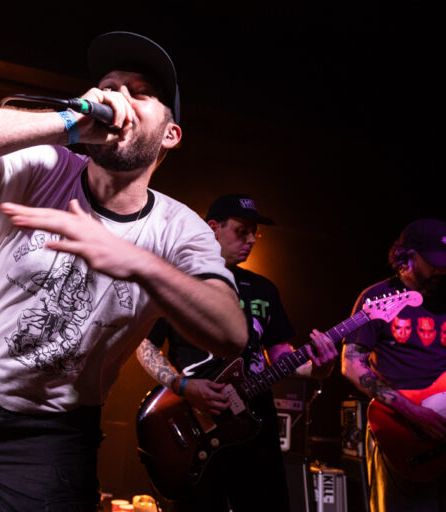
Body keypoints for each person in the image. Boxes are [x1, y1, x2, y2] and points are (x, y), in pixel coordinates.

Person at [0, 31, 248, 512]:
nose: (117, 98)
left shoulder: (180, 229)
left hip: (56, 430)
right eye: (108, 87)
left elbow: (231, 334)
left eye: (140, 93)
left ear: (170, 134)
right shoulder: (44, 165)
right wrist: (64, 123)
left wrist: (136, 262)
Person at [136, 193, 338, 511]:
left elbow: (280, 354)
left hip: (254, 422)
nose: (251, 240)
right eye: (241, 231)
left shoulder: (264, 289)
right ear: (213, 228)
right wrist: (183, 386)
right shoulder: (175, 281)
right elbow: (145, 345)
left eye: (254, 233)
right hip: (195, 420)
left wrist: (318, 369)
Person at [341, 218, 446, 512]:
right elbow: (352, 365)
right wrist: (413, 412)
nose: (443, 270)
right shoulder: (377, 298)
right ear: (407, 258)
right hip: (401, 431)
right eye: (434, 263)